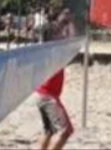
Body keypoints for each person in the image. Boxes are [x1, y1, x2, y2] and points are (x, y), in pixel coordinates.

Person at [35, 8, 75, 150]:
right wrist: (64, 20)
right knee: (66, 131)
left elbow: (69, 37)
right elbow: (68, 38)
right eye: (58, 32)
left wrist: (66, 21)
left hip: (43, 94)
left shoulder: (52, 47)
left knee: (49, 131)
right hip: (48, 97)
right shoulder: (52, 48)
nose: (61, 34)